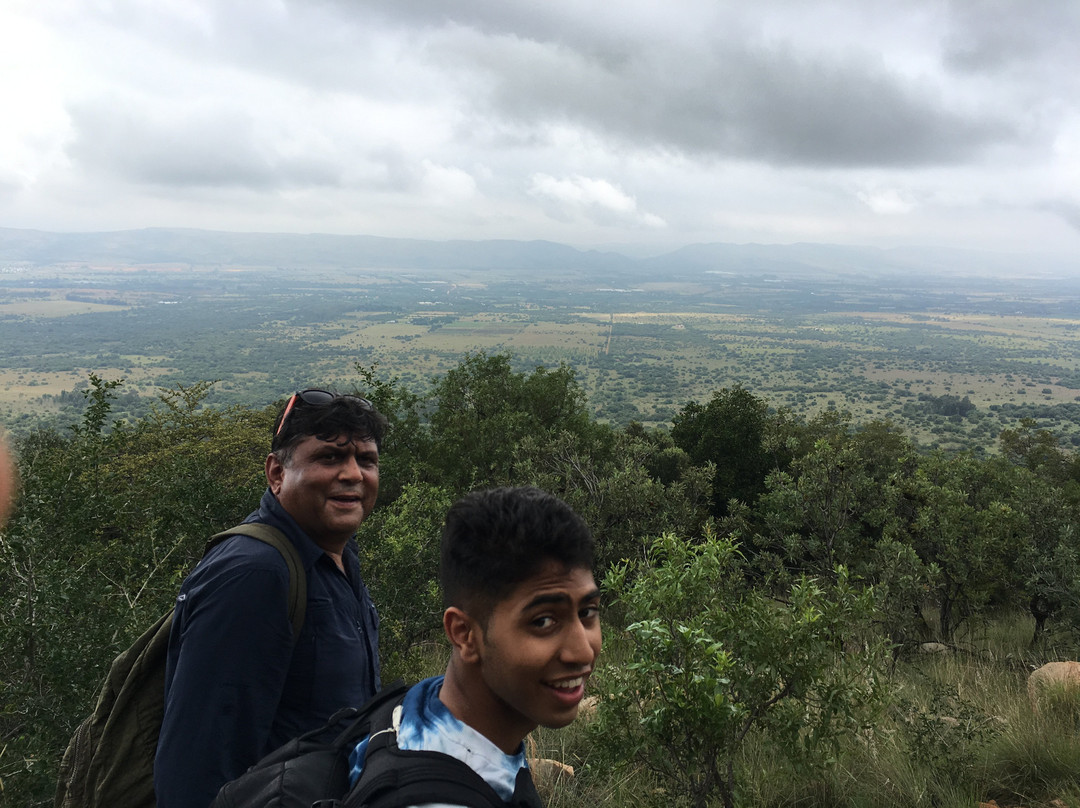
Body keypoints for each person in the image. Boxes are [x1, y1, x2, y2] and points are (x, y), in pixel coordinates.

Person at [155, 388, 387, 808]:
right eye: (329, 457)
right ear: (276, 474)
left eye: (365, 460)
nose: (354, 474)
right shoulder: (254, 573)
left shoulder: (337, 556)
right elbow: (197, 765)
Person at [347, 486, 601, 806]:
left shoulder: (423, 703)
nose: (582, 651)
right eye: (543, 621)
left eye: (587, 612)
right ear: (464, 633)